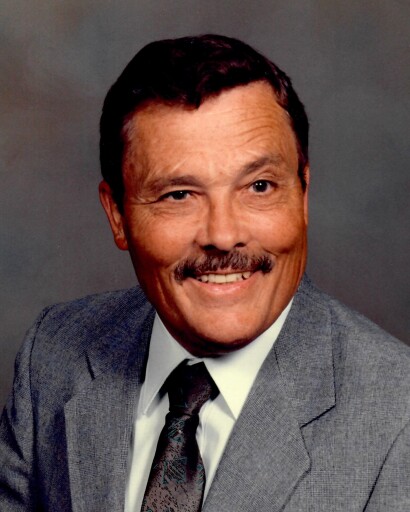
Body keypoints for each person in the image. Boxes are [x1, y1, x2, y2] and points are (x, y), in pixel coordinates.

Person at [1, 34, 409, 512]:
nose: (223, 235)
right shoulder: (53, 353)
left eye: (259, 186)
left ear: (303, 193)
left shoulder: (397, 417)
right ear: (117, 215)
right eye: (179, 195)